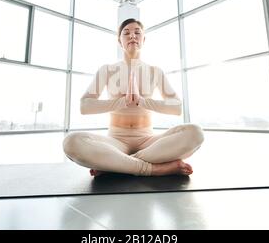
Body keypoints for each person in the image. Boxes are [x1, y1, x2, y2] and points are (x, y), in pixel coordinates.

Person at [63, 18, 204, 177]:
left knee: (195, 133)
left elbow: (176, 107)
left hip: (149, 142)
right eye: (126, 33)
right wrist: (122, 101)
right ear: (119, 41)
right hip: (116, 141)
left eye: (137, 33)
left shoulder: (154, 71)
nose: (132, 36)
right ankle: (155, 169)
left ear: (143, 40)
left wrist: (142, 101)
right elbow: (85, 106)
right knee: (71, 142)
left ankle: (116, 164)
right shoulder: (107, 70)